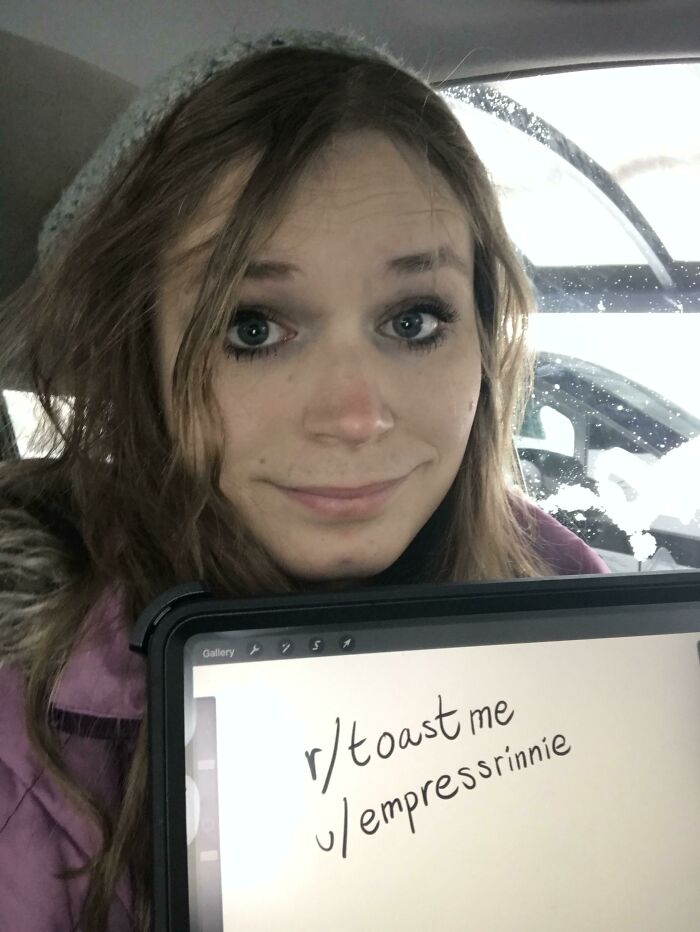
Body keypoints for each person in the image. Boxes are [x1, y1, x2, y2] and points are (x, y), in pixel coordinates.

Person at [0, 28, 608, 932]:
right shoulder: (23, 744)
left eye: (413, 319)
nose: (356, 415)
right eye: (252, 328)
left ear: (483, 338)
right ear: (140, 364)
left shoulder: (586, 630)